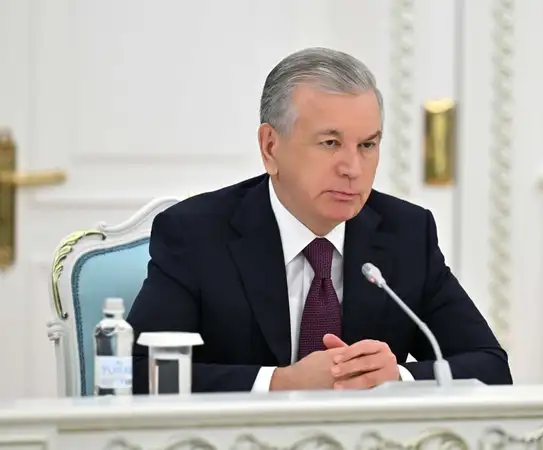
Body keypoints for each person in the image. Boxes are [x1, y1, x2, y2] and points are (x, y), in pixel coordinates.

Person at [127, 47, 512, 393]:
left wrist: (396, 376)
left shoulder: (406, 233)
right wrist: (279, 383)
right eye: (330, 143)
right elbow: (137, 373)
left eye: (367, 145)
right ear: (270, 147)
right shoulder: (195, 233)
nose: (352, 168)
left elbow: (490, 366)